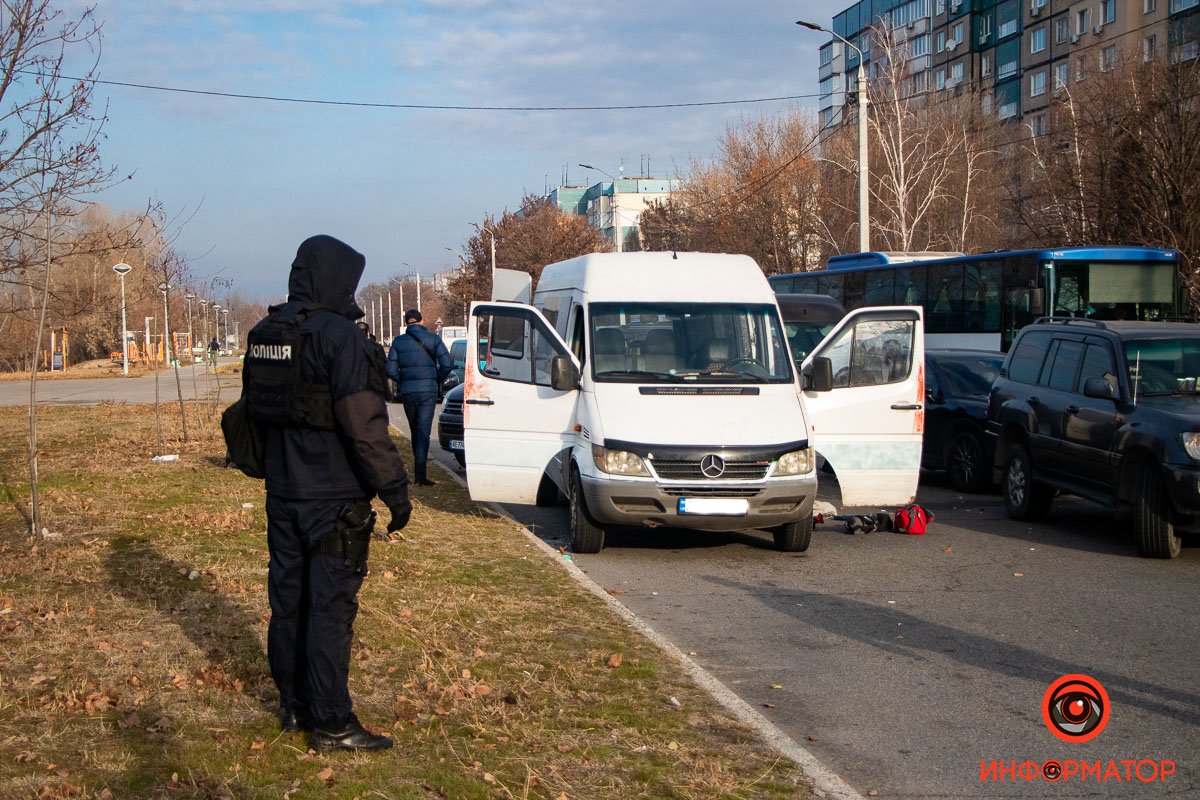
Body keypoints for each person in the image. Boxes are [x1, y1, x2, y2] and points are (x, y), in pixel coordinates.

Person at [241, 235, 412, 752]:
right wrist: (395, 490)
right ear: (337, 279)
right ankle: (332, 722)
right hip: (335, 499)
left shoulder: (266, 333)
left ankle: (294, 706)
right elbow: (364, 425)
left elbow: (253, 413)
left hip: (283, 492)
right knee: (329, 610)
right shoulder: (341, 338)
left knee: (288, 604)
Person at [386, 308, 453, 486]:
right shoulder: (434, 339)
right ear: (422, 321)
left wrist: (404, 380)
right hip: (428, 391)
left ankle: (419, 470)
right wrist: (436, 379)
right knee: (423, 430)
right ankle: (420, 475)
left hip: (408, 391)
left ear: (406, 323)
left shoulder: (398, 342)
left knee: (415, 429)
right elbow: (448, 363)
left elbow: (390, 370)